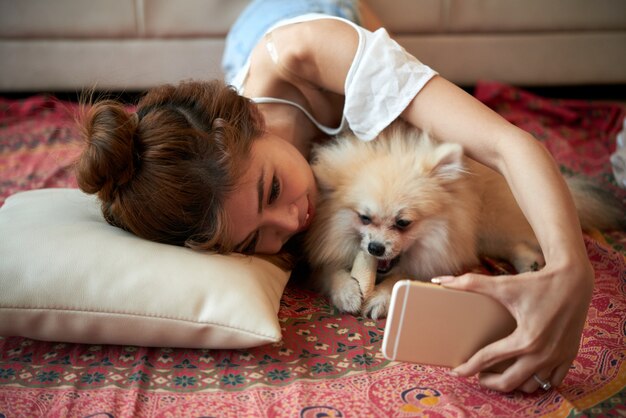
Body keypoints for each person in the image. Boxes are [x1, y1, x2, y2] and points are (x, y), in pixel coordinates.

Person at [75, 0, 594, 394]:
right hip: (246, 55)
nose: (292, 220)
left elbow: (507, 144)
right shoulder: (219, 193)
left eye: (273, 188)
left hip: (311, 18)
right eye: (258, 235)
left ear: (255, 121)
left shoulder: (318, 55)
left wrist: (573, 272)